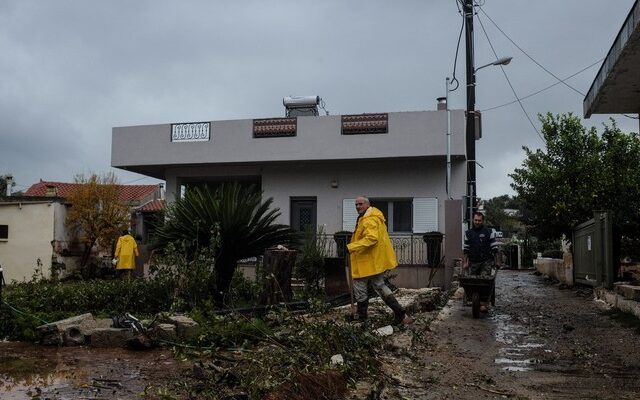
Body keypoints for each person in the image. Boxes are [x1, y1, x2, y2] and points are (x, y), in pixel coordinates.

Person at [346, 196, 406, 325]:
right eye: (356, 204)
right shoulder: (373, 216)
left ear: (367, 205)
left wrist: (350, 247)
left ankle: (362, 316)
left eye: (360, 204)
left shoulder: (369, 219)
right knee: (379, 285)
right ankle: (399, 311)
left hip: (366, 260)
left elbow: (372, 238)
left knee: (359, 285)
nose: (358, 207)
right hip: (374, 260)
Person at [463, 212, 500, 276]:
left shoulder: (489, 232)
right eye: (476, 220)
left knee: (485, 280)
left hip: (486, 261)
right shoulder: (468, 233)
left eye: (479, 220)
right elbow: (466, 249)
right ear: (473, 220)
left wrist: (497, 261)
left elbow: (494, 248)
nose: (477, 222)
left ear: (482, 221)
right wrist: (465, 262)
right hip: (473, 262)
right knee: (473, 281)